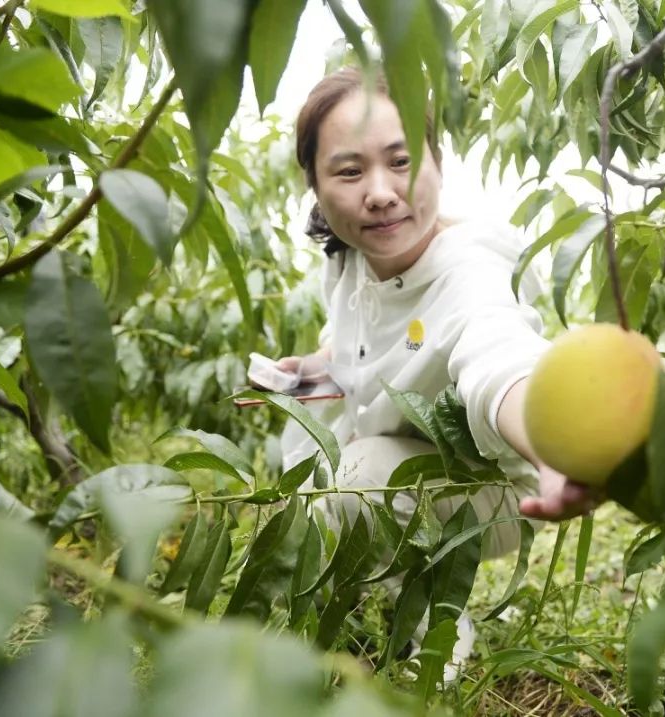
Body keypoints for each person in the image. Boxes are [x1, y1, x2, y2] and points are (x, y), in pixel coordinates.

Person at [255, 66, 597, 668]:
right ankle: (393, 580)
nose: (381, 191)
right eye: (350, 171)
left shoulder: (470, 272)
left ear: (438, 162)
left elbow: (500, 361)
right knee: (301, 466)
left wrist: (555, 447)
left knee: (356, 476)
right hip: (415, 464)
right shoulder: (354, 257)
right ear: (315, 184)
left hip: (494, 492)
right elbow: (356, 346)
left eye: (402, 161)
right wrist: (309, 370)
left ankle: (443, 630)